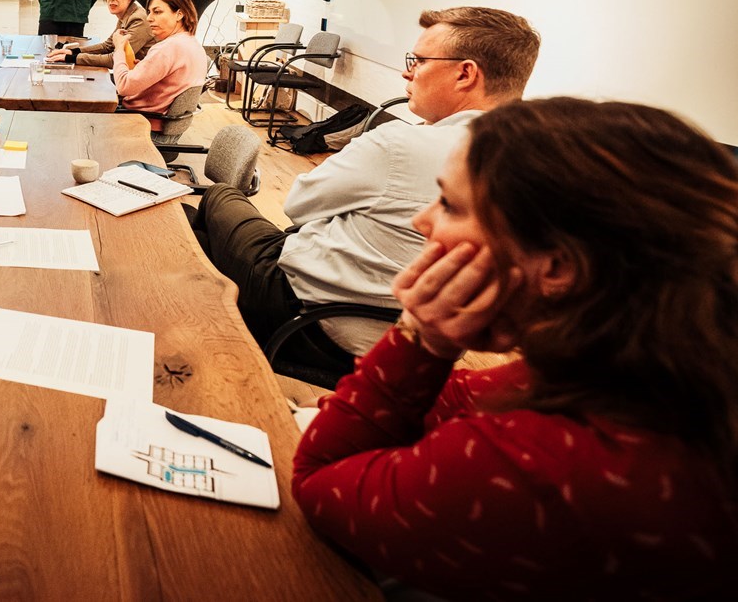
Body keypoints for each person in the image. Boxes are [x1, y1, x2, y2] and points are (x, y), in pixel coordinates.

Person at [293, 98, 738, 599]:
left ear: (557, 268)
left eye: (450, 206)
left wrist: (423, 336)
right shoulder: (660, 370)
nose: (422, 221)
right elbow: (470, 397)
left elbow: (318, 479)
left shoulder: (544, 467)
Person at [193, 6, 540, 364]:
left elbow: (297, 205)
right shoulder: (536, 162)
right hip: (405, 344)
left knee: (219, 196)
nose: (407, 71)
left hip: (307, 316)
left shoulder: (400, 145)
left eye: (418, 60)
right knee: (198, 242)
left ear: (465, 73)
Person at [110, 0, 209, 116]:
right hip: (163, 127)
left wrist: (118, 49)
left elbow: (123, 86)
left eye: (157, 12)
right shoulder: (193, 43)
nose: (149, 18)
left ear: (179, 14)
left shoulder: (167, 49)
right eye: (149, 12)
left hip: (142, 122)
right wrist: (145, 69)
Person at [47, 0, 153, 68]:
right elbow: (107, 46)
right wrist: (73, 52)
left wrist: (72, 58)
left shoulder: (138, 19)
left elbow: (115, 60)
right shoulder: (126, 14)